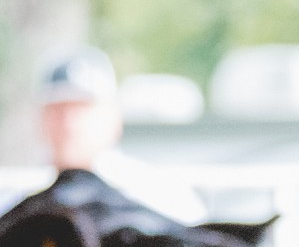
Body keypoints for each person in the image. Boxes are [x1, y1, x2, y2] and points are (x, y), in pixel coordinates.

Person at [35, 46, 205, 225]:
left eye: (82, 108)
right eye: (58, 109)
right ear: (40, 119)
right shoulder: (23, 198)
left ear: (114, 117)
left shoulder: (160, 195)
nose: (69, 122)